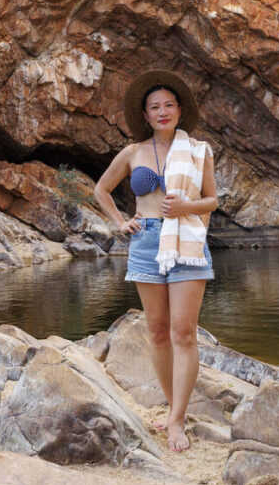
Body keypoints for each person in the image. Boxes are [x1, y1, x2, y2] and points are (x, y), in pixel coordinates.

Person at [93, 70, 218, 453]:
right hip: (146, 240)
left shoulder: (198, 150)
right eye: (154, 107)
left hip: (186, 241)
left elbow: (212, 200)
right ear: (145, 115)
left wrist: (185, 207)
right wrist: (120, 222)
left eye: (168, 105)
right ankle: (172, 406)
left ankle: (177, 419)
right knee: (159, 332)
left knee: (184, 333)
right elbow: (101, 190)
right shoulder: (133, 153)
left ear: (179, 110)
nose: (162, 112)